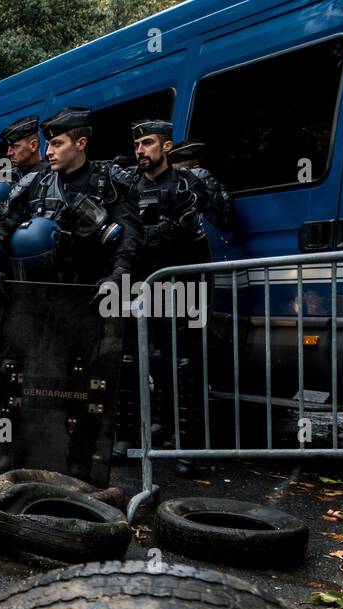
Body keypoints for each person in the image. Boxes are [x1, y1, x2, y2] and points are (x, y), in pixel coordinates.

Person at [115, 120, 235, 473]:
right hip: (138, 285)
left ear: (166, 147)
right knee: (129, 360)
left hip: (182, 285)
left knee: (184, 363)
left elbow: (220, 219)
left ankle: (188, 447)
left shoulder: (189, 182)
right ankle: (124, 438)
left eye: (148, 143)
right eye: (137, 145)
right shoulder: (128, 186)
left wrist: (187, 221)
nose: (141, 150)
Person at [0, 106, 140, 296]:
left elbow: (129, 233)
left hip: (92, 288)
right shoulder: (35, 182)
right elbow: (0, 226)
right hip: (40, 291)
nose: (48, 152)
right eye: (47, 144)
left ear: (81, 143)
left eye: (56, 144)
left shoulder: (110, 182)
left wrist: (119, 276)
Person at [1, 115, 48, 182]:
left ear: (33, 145)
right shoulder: (9, 178)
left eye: (15, 146)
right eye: (8, 147)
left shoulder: (50, 176)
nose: (9, 153)